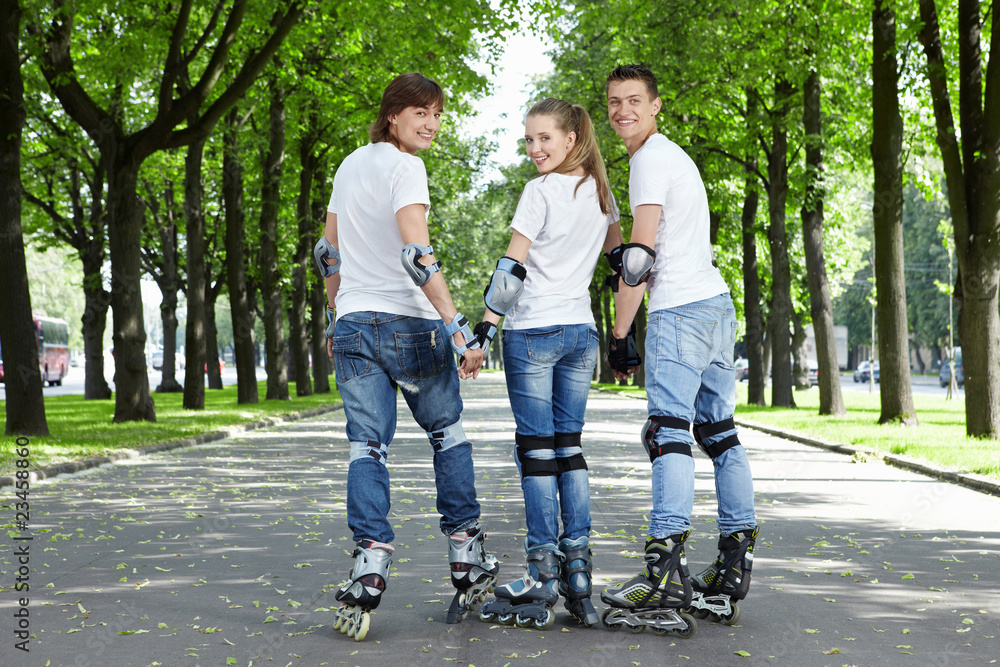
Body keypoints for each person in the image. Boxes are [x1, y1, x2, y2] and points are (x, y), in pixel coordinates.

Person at [313, 72, 498, 641]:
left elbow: (327, 252)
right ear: (392, 114)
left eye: (437, 114)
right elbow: (417, 254)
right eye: (421, 111)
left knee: (366, 445)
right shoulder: (406, 167)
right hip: (409, 325)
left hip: (354, 325)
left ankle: (369, 562)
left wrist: (336, 315)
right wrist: (459, 328)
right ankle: (466, 555)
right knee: (446, 434)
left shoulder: (348, 165)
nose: (432, 123)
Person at [597, 65, 758, 637]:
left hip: (680, 311)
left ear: (655, 105)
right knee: (720, 434)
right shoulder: (673, 156)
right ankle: (732, 566)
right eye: (614, 102)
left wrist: (620, 334)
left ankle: (662, 572)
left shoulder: (648, 159)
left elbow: (640, 259)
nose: (622, 111)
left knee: (667, 433)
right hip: (716, 305)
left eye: (633, 100)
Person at [475, 98, 623, 630]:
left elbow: (512, 269)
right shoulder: (602, 192)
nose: (535, 149)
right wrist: (624, 334)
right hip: (581, 333)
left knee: (538, 453)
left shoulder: (539, 191)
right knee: (569, 450)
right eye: (529, 140)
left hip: (534, 330)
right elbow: (622, 263)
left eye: (544, 138)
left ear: (571, 138)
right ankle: (578, 573)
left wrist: (484, 330)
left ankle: (541, 572)